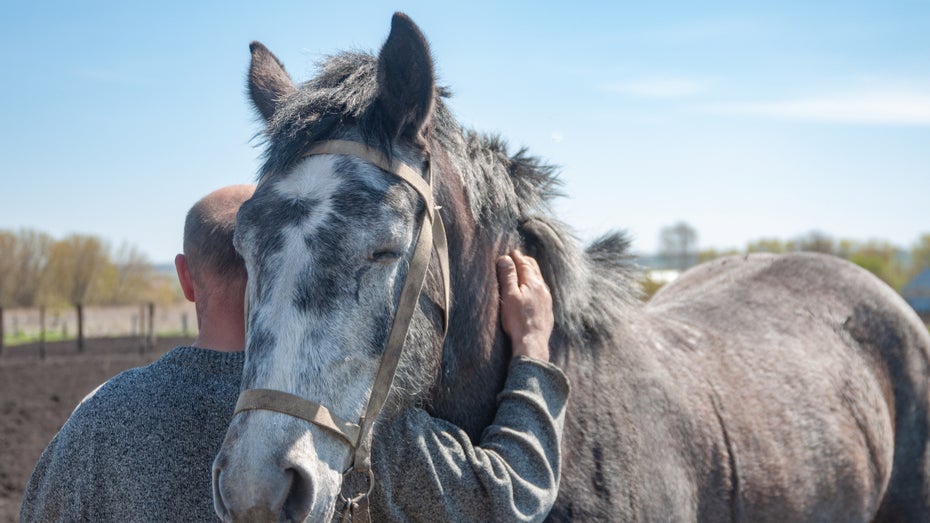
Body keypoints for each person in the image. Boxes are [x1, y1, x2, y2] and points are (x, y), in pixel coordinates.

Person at [21, 186, 570, 522]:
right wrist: (532, 349)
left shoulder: (98, 420)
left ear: (186, 279)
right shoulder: (363, 432)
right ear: (286, 264)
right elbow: (511, 497)